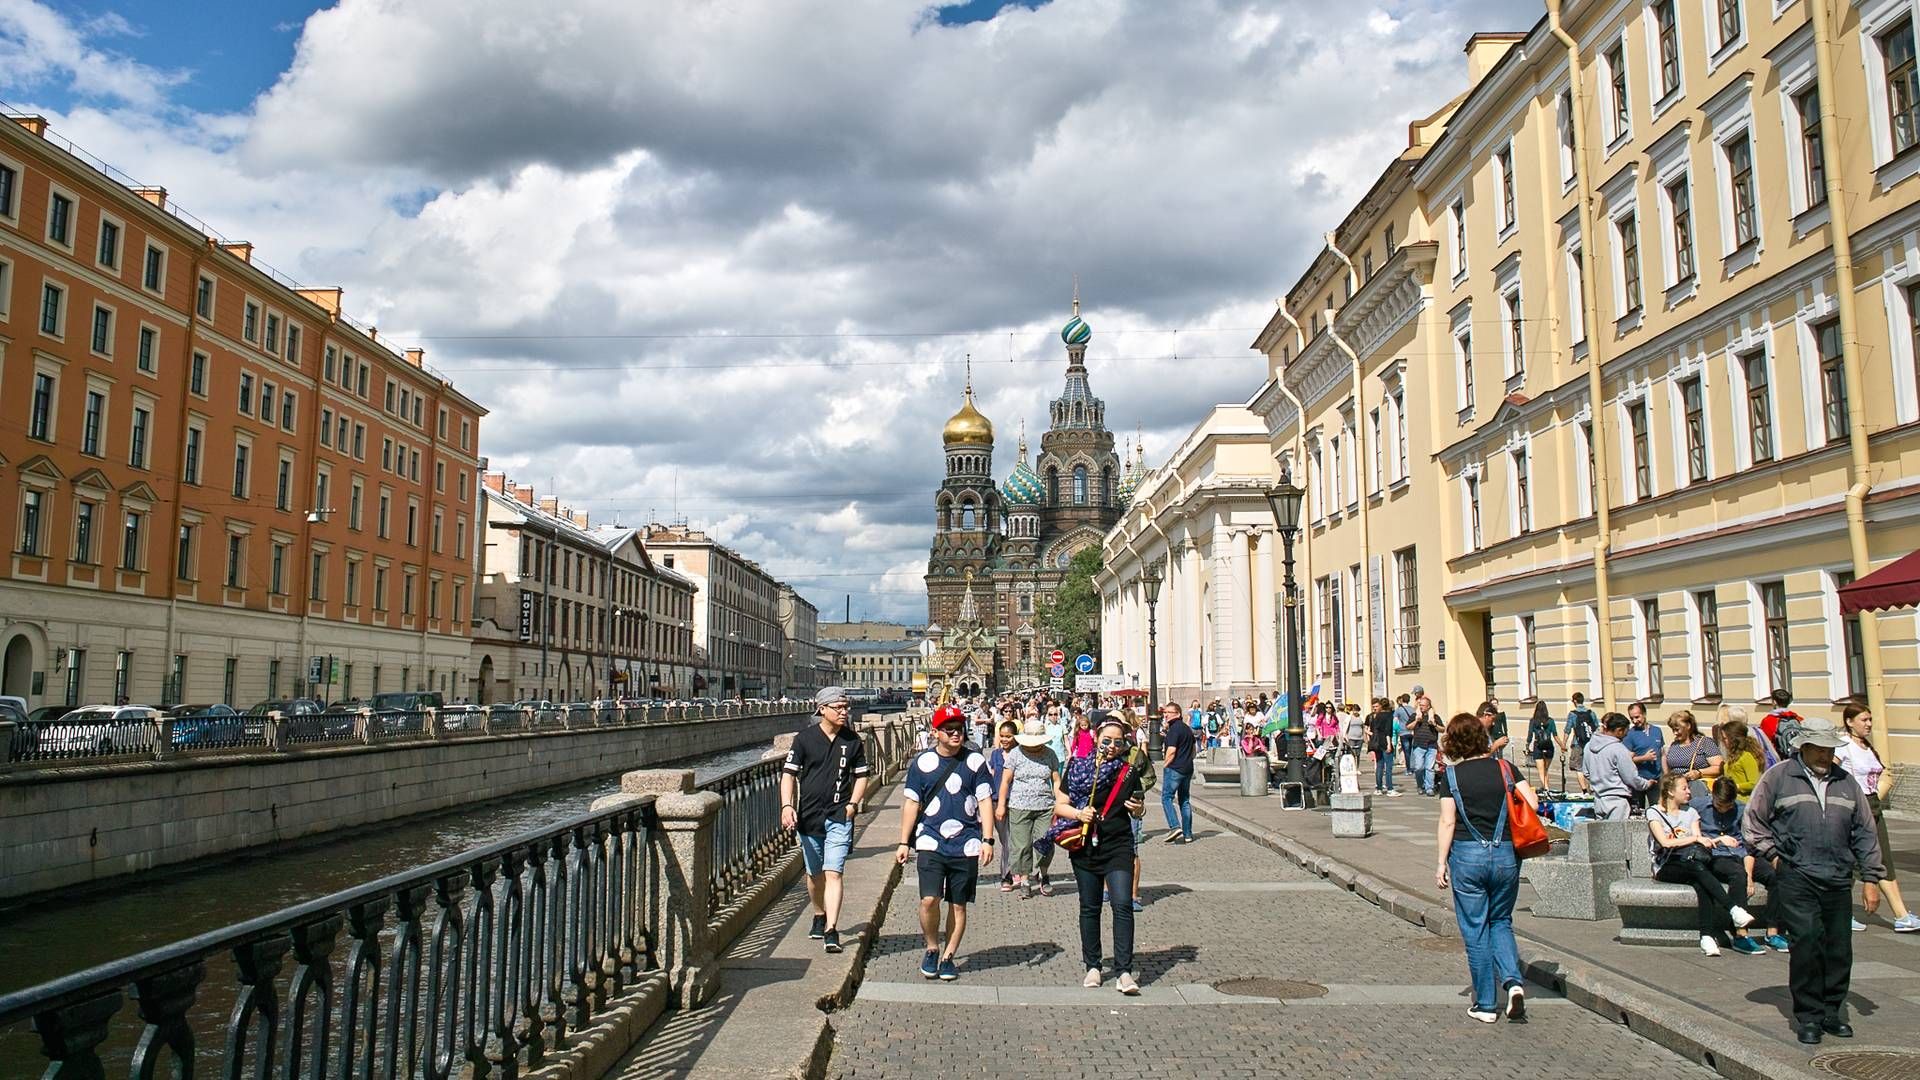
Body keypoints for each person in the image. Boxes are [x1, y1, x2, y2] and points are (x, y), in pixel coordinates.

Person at [1745, 717, 1888, 1044]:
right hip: (1798, 876)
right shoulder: (1779, 777)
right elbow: (1754, 822)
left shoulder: (1846, 782)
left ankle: (1831, 1011)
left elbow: (1865, 832)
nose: (1826, 756)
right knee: (1807, 942)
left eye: (1830, 749)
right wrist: (1775, 857)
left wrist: (1870, 878)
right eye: (1820, 749)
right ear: (1804, 747)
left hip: (1838, 877)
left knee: (1839, 948)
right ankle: (1808, 1016)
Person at [1434, 713, 1534, 1023]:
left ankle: (1486, 1005)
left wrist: (1440, 862)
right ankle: (1514, 983)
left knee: (1475, 929)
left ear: (1454, 741)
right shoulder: (1506, 769)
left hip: (1467, 855)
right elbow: (1531, 801)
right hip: (1505, 853)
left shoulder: (1451, 777)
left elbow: (1448, 821)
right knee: (1501, 920)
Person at [897, 705, 996, 982]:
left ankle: (949, 955)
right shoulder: (921, 763)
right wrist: (904, 842)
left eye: (959, 729)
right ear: (935, 732)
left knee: (958, 904)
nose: (956, 734)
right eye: (949, 729)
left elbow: (985, 800)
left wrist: (988, 839)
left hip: (966, 842)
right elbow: (911, 802)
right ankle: (931, 947)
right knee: (929, 899)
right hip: (930, 840)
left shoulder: (975, 762)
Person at [1055, 716, 1147, 994]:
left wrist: (1138, 810)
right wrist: (1078, 813)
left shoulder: (1128, 771)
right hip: (1085, 845)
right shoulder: (1077, 766)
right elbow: (1059, 805)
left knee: (1122, 904)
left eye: (1118, 742)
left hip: (1118, 843)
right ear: (1096, 739)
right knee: (1090, 906)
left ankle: (1124, 971)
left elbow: (1139, 806)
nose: (1112, 746)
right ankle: (1093, 965)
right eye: (1106, 740)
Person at [780, 686, 873, 954]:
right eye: (839, 708)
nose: (845, 712)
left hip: (839, 816)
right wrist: (787, 806)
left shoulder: (852, 741)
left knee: (834, 872)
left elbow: (862, 774)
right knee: (814, 875)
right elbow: (788, 774)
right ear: (822, 709)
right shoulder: (804, 740)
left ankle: (831, 929)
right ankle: (819, 914)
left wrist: (853, 804)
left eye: (846, 707)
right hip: (809, 816)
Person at [1647, 772, 1755, 956]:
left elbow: (1698, 845)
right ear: (1671, 792)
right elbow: (1665, 842)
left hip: (1690, 862)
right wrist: (1696, 838)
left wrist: (1719, 841)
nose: (1689, 791)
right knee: (1698, 869)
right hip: (1666, 865)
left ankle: (1706, 937)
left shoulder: (1691, 813)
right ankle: (1733, 909)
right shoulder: (1654, 812)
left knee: (1701, 882)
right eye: (1684, 788)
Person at [1835, 704, 1919, 932]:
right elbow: (1830, 775)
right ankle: (1899, 915)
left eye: (1870, 719)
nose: (1869, 724)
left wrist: (1877, 797)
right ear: (1850, 721)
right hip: (1854, 808)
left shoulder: (1867, 746)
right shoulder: (1843, 746)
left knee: (1878, 859)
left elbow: (1882, 773)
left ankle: (1900, 916)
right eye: (1864, 720)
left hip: (1872, 806)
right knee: (1859, 861)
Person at [1697, 776, 1788, 954]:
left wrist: (1750, 876)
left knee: (1775, 874)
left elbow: (1749, 845)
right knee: (1737, 875)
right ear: (1713, 795)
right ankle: (1741, 934)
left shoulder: (1742, 809)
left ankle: (1773, 930)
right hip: (1717, 855)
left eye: (1728, 806)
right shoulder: (1698, 806)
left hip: (1743, 854)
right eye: (1720, 805)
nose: (1724, 809)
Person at [998, 717, 1063, 898]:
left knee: (1045, 843)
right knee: (1021, 845)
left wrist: (1060, 803)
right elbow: (1005, 781)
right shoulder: (1015, 754)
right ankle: (1025, 879)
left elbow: (1056, 781)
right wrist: (1001, 805)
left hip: (1045, 807)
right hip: (1019, 806)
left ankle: (1043, 874)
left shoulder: (1050, 754)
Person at [1581, 712, 1649, 821]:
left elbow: (1586, 773)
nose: (1625, 737)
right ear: (1619, 730)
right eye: (1625, 733)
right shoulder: (1619, 749)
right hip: (1618, 802)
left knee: (1602, 836)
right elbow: (1631, 778)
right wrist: (1646, 784)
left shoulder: (1588, 746)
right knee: (1616, 836)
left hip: (1599, 800)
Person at [1663, 709, 1723, 803]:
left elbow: (1719, 767)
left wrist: (1699, 772)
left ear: (1688, 726)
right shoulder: (1674, 745)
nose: (1674, 733)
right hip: (1676, 792)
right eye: (1673, 729)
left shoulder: (1704, 743)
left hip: (1696, 790)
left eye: (1677, 729)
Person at [986, 720, 1020, 891]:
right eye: (1003, 736)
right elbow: (992, 775)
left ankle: (1006, 875)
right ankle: (1013, 870)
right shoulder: (995, 754)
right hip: (996, 800)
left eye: (1009, 736)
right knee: (1004, 838)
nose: (1005, 739)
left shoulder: (1020, 753)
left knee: (1012, 839)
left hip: (1016, 800)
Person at [1159, 700, 1195, 844]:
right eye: (1165, 713)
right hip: (1187, 768)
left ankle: (1175, 826)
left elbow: (1171, 751)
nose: (1166, 715)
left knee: (1166, 797)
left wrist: (1165, 765)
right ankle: (1188, 834)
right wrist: (1188, 760)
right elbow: (1193, 749)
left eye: (1169, 713)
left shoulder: (1174, 730)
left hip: (1175, 768)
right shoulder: (1187, 729)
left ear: (1178, 714)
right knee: (1184, 800)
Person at [1716, 711, 1767, 799]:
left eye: (1725, 738)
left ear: (1733, 739)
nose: (1723, 742)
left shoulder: (1746, 757)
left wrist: (1737, 786)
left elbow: (1754, 783)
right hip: (1730, 800)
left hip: (1743, 802)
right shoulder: (1731, 757)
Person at [1622, 702, 1663, 807]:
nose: (1635, 721)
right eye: (1632, 718)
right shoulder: (1629, 735)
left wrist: (1666, 775)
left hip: (1656, 779)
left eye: (1637, 717)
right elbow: (1626, 760)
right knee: (1638, 811)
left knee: (1658, 809)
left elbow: (1662, 753)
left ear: (1644, 714)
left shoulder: (1657, 731)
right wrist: (1644, 758)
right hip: (1638, 780)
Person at [1561, 693, 1599, 794]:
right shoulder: (1591, 713)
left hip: (1578, 744)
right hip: (1591, 743)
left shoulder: (1573, 714)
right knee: (1591, 766)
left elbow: (1567, 730)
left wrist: (1563, 744)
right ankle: (1592, 787)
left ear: (1575, 701)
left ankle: (1584, 791)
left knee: (1579, 767)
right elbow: (1597, 728)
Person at [1406, 696, 1441, 796]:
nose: (1421, 707)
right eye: (1420, 705)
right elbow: (1408, 727)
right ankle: (1420, 785)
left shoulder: (1434, 716)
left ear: (1428, 706)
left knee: (1430, 768)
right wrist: (1417, 720)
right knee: (1419, 767)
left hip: (1431, 745)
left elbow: (1442, 729)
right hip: (1419, 745)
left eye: (1423, 705)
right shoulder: (1415, 715)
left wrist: (1434, 724)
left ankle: (1429, 788)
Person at [1759, 688, 1806, 759]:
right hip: (1798, 757)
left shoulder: (1767, 721)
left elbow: (1765, 743)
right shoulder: (1799, 719)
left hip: (1778, 758)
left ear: (1774, 702)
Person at [1368, 697, 1400, 796]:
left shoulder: (1376, 716)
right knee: (1389, 767)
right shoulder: (1389, 716)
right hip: (1385, 742)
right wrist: (1389, 744)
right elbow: (1388, 731)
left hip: (1377, 743)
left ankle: (1378, 788)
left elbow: (1374, 729)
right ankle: (1390, 788)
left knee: (1379, 766)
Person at [1524, 701, 1557, 792]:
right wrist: (1562, 745)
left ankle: (1546, 789)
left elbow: (1530, 734)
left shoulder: (1533, 721)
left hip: (1538, 746)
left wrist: (1527, 745)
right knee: (1546, 769)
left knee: (1541, 771)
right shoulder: (1551, 721)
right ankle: (1546, 787)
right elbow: (1555, 734)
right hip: (1549, 746)